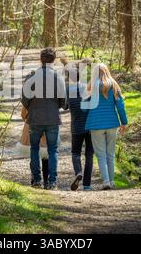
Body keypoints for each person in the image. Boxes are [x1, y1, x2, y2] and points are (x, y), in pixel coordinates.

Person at [21, 47, 66, 190]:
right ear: (54, 60)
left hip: (35, 118)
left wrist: (32, 107)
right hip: (52, 118)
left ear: (40, 59)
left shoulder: (32, 76)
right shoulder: (58, 77)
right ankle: (52, 182)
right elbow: (63, 100)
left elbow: (24, 99)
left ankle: (36, 180)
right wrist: (55, 107)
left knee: (34, 148)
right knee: (53, 150)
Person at [84, 63, 128, 190]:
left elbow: (85, 106)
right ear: (107, 71)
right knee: (110, 153)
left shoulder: (91, 86)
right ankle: (112, 181)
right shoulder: (113, 85)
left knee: (101, 154)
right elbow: (120, 106)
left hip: (95, 124)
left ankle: (106, 181)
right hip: (112, 123)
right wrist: (124, 122)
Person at [65, 63, 94, 191]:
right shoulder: (87, 88)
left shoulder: (68, 90)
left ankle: (78, 172)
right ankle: (87, 185)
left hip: (76, 126)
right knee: (89, 154)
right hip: (89, 126)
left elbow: (65, 106)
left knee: (75, 152)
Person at [20, 106, 49, 188]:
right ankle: (46, 181)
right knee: (45, 155)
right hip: (46, 125)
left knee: (34, 153)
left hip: (31, 124)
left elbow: (23, 114)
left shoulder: (29, 94)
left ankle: (36, 180)